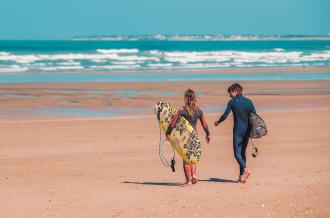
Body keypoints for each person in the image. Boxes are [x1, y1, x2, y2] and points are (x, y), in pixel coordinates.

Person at [166, 89, 210, 185]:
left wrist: (168, 133)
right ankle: (194, 175)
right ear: (194, 98)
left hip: (185, 139)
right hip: (195, 137)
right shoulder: (199, 111)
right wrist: (208, 134)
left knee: (186, 159)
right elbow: (204, 123)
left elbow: (173, 122)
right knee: (192, 157)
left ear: (186, 98)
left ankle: (189, 180)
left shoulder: (182, 111)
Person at [214, 83, 256, 183]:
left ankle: (245, 170)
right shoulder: (249, 102)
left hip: (238, 130)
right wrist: (253, 131)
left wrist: (218, 122)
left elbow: (225, 115)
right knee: (242, 153)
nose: (229, 95)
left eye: (230, 92)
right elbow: (254, 117)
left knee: (237, 153)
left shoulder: (232, 102)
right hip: (247, 131)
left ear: (236, 91)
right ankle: (241, 177)